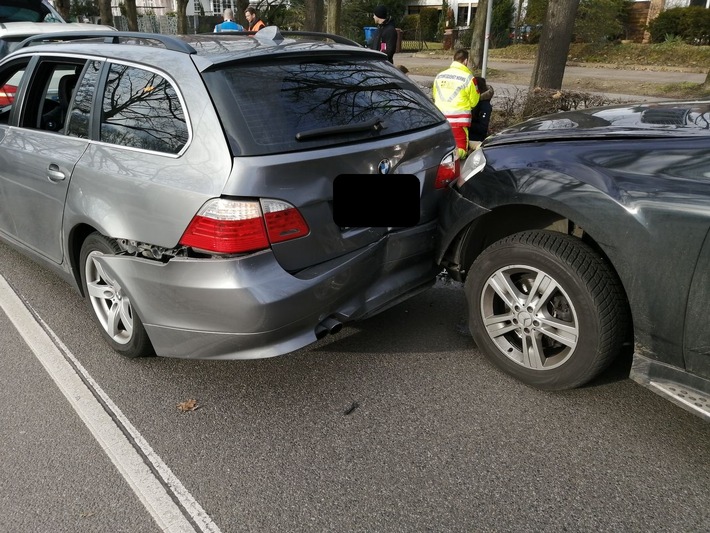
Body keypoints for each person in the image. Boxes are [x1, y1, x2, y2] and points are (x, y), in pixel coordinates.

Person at [432, 49, 480, 159]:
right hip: (459, 121)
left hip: (440, 119)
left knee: (441, 146)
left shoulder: (439, 76)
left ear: (453, 60)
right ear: (466, 61)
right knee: (461, 151)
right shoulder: (469, 78)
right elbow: (474, 102)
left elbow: (435, 95)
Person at [468, 76, 494, 149]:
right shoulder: (470, 101)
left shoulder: (484, 106)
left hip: (475, 140)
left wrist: (467, 124)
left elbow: (482, 128)